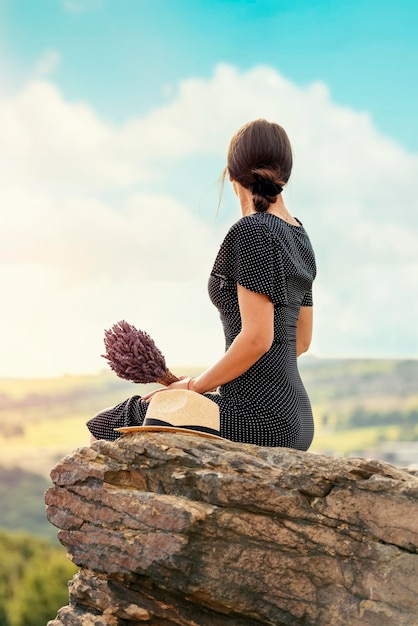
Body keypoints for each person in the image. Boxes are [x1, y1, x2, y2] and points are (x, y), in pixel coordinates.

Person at [87, 118, 316, 450]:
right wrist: (211, 383)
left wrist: (194, 388)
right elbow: (300, 341)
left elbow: (257, 339)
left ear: (231, 173)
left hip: (257, 419)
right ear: (285, 174)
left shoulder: (252, 231)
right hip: (296, 420)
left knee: (110, 424)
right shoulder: (299, 235)